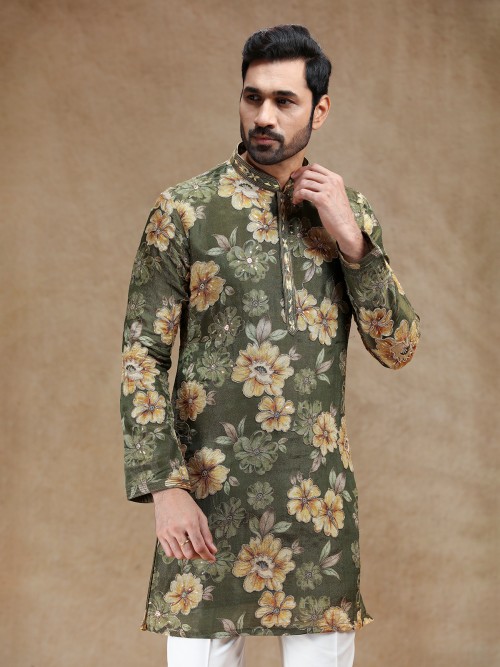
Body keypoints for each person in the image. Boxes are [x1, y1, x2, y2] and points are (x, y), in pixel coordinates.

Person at [120, 24, 420, 667]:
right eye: (252, 97)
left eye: (284, 101)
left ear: (320, 109)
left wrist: (352, 240)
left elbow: (398, 347)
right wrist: (164, 490)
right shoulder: (184, 211)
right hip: (204, 504)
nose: (263, 115)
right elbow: (142, 357)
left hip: (317, 511)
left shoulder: (347, 212)